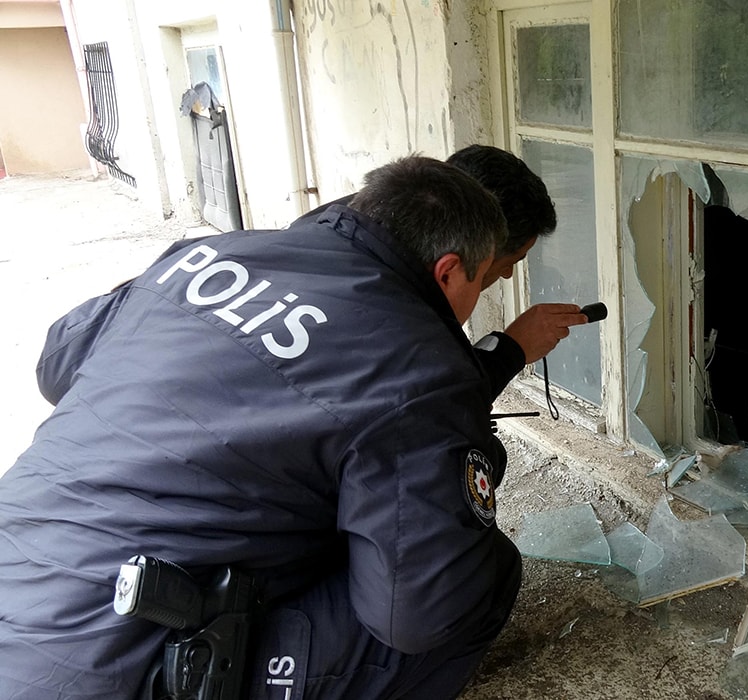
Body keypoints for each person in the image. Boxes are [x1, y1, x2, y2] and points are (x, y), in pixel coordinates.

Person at [0, 156, 529, 698]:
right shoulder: (421, 365)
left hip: (16, 565)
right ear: (447, 271)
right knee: (477, 576)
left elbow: (58, 361)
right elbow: (415, 616)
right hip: (116, 665)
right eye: (482, 280)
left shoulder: (208, 256)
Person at [293, 144, 587, 399]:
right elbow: (432, 409)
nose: (508, 274)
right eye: (511, 260)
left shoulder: (351, 217)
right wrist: (511, 351)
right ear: (454, 265)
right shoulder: (392, 319)